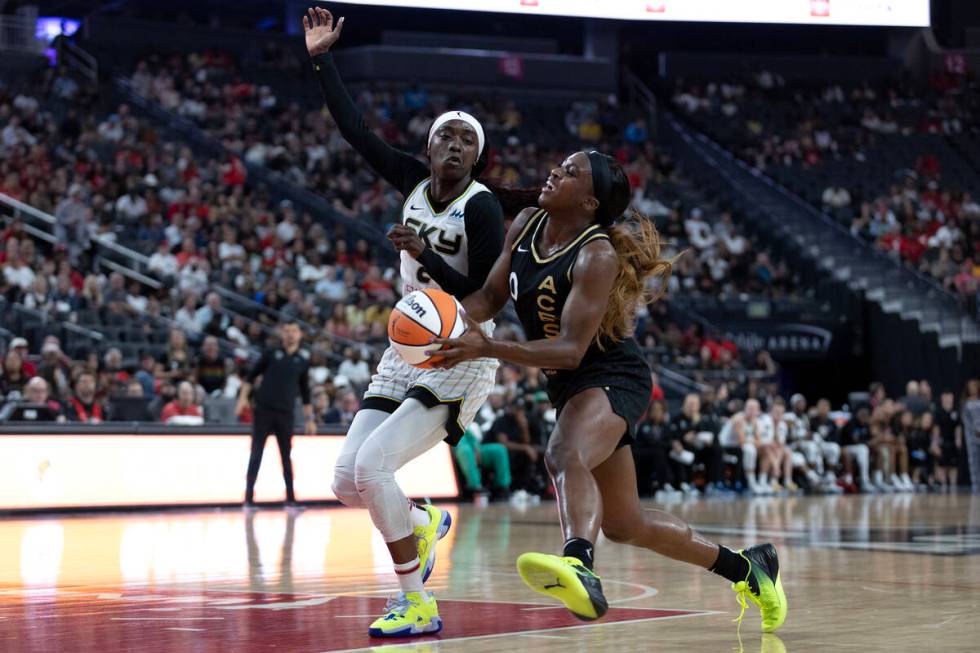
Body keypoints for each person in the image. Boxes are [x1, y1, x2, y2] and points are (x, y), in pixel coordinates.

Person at [432, 149, 786, 632]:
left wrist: (488, 346)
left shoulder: (596, 254)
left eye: (571, 171)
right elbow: (491, 296)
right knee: (625, 523)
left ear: (591, 202)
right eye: (560, 164)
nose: (556, 170)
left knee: (563, 452)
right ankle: (749, 568)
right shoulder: (528, 224)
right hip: (569, 383)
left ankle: (578, 562)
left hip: (611, 375)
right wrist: (438, 323)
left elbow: (570, 350)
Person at [305, 7, 509, 638]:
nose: (454, 145)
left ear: (478, 157)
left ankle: (417, 602)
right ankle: (420, 522)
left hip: (463, 347)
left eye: (466, 140)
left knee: (373, 469)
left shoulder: (483, 209)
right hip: (408, 340)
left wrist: (425, 259)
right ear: (429, 146)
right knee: (345, 481)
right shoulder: (410, 178)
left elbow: (484, 297)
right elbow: (355, 132)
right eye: (446, 135)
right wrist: (321, 59)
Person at [237, 320, 316, 508]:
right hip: (263, 410)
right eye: (287, 330)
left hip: (285, 413)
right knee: (256, 453)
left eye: (294, 331)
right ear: (282, 334)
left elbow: (306, 394)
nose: (290, 334)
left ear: (299, 335)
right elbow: (250, 377)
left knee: (286, 455)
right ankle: (248, 498)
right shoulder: (271, 353)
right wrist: (242, 399)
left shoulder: (302, 361)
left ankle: (290, 498)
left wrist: (310, 419)